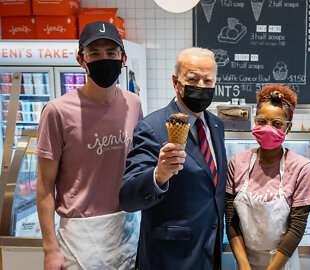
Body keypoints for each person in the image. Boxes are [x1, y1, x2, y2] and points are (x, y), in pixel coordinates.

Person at [36, 21, 143, 270]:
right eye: (94, 53)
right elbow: (43, 189)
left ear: (123, 58)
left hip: (126, 228)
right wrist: (50, 249)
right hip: (79, 233)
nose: (103, 59)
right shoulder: (57, 111)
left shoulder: (134, 104)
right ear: (80, 60)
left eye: (111, 53)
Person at [119, 47, 227, 270]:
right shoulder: (152, 127)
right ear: (176, 82)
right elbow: (128, 198)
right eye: (193, 78)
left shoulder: (216, 126)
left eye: (208, 81)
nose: (201, 86)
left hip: (209, 253)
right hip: (169, 258)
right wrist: (158, 175)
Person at [225, 85, 310, 270]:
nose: (268, 129)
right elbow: (231, 220)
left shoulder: (300, 167)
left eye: (277, 124)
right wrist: (244, 266)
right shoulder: (238, 162)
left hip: (282, 263)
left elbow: (297, 227)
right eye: (262, 121)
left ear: (288, 127)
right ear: (254, 121)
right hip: (245, 260)